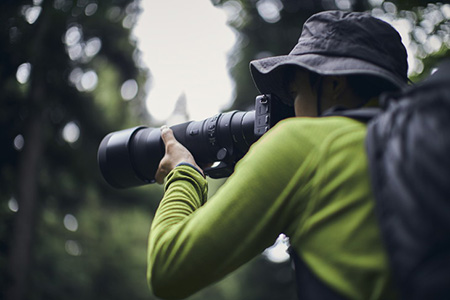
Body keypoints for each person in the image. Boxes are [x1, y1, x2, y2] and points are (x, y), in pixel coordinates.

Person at [147, 10, 408, 300]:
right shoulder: (421, 153)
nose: (294, 109)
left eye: (297, 93)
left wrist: (184, 173)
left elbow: (167, 269)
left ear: (334, 85)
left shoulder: (307, 143)